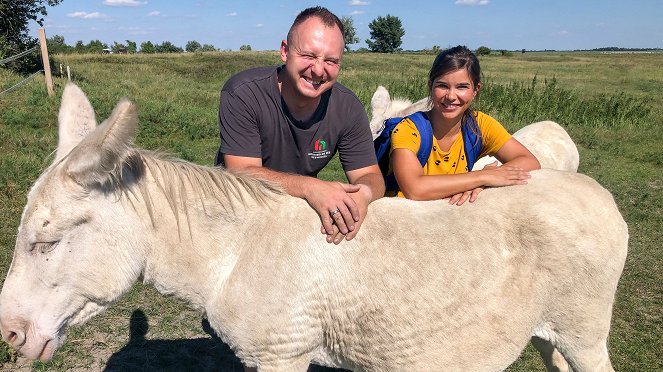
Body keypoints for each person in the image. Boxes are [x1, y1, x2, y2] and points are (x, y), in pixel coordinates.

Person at [216, 6, 384, 245]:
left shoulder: (348, 107)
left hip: (295, 214)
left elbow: (370, 175)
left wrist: (363, 195)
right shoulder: (243, 92)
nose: (318, 69)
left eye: (331, 61)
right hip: (239, 209)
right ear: (284, 51)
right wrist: (311, 188)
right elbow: (241, 172)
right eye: (308, 55)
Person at [389, 45, 540, 204]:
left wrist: (489, 178)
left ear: (476, 90)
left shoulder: (479, 125)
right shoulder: (408, 129)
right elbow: (415, 189)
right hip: (403, 219)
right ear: (430, 86)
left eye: (462, 87)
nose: (451, 96)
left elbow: (529, 161)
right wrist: (483, 177)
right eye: (442, 86)